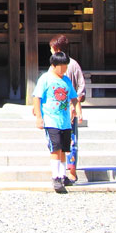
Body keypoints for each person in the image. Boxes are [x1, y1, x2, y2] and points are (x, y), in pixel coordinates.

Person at [32, 51, 81, 194]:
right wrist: (39, 117)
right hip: (51, 119)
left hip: (65, 120)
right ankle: (56, 177)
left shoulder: (66, 81)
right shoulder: (45, 79)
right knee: (55, 148)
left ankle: (63, 175)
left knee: (64, 149)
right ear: (54, 65)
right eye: (61, 66)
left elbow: (73, 96)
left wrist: (78, 110)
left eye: (65, 66)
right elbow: (37, 97)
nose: (64, 69)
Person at [49, 34, 87, 183]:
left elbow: (81, 87)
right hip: (57, 110)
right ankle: (60, 171)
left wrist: (76, 105)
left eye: (52, 49)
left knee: (71, 140)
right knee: (59, 141)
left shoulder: (73, 65)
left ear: (57, 49)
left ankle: (72, 170)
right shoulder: (53, 66)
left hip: (69, 108)